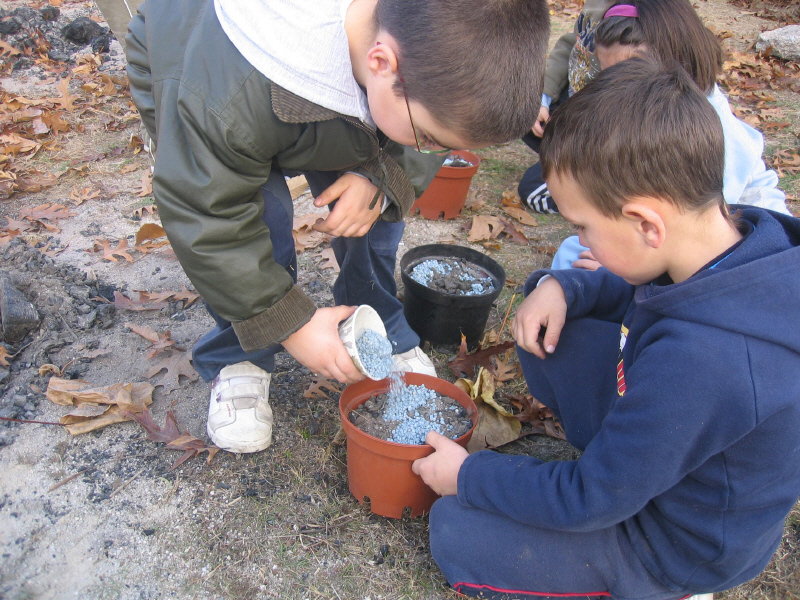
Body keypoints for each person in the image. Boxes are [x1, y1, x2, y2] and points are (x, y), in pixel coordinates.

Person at [412, 56, 800, 600]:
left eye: (583, 227)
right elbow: (634, 288)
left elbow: (590, 498)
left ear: (646, 223)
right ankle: (625, 454)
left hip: (674, 545)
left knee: (457, 527)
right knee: (553, 328)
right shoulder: (724, 240)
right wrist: (563, 287)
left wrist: (468, 476)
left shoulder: (707, 362)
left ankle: (668, 590)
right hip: (662, 449)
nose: (580, 243)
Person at [122, 0, 550, 453]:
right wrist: (289, 323)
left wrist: (381, 175)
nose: (432, 148)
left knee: (373, 208)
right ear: (381, 63)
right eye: (429, 138)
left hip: (334, 97)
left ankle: (375, 319)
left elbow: (420, 122)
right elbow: (208, 213)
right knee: (263, 215)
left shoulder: (422, 49)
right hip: (209, 83)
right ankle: (239, 351)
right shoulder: (223, 97)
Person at [550, 0, 790, 270]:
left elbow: (697, 224)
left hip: (742, 246)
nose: (617, 84)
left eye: (632, 72)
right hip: (671, 230)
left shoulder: (711, 126)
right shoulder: (644, 107)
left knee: (578, 261)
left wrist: (619, 266)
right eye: (609, 74)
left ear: (676, 57)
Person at [517, 0, 612, 214]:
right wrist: (542, 99)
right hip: (574, 110)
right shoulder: (597, 4)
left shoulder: (648, 19)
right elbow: (572, 45)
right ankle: (562, 161)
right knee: (520, 108)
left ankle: (592, 182)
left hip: (602, 132)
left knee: (533, 192)